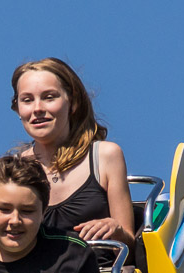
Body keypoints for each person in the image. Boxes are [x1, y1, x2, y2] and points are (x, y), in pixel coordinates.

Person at [11, 58, 134, 254]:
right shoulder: (12, 170)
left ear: (73, 102)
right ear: (18, 109)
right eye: (27, 100)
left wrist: (115, 229)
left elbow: (129, 243)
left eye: (49, 97)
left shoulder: (105, 156)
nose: (37, 109)